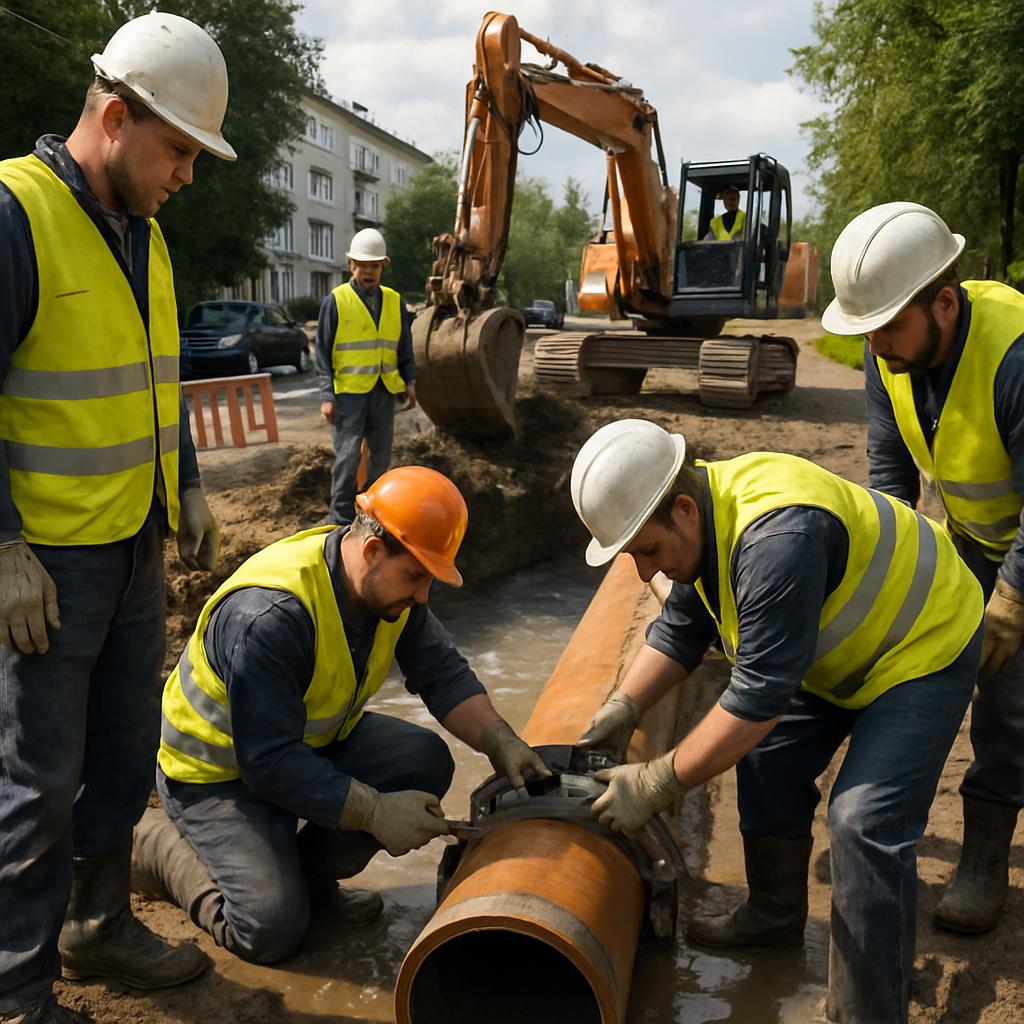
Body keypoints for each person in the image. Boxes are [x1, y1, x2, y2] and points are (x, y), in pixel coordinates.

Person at [570, 418, 983, 1024]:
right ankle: (772, 917)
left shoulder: (775, 539)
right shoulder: (707, 513)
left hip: (921, 646)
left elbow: (758, 699)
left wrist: (657, 781)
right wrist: (624, 706)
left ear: (682, 510)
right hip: (836, 651)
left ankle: (869, 1012)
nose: (643, 574)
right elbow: (684, 628)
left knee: (862, 822)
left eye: (647, 551)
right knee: (766, 760)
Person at [0, 12, 231, 1024]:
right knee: (37, 778)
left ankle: (97, 924)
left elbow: (152, 381)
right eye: (177, 147)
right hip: (45, 561)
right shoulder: (17, 213)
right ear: (114, 112)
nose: (185, 173)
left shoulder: (148, 234)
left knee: (121, 753)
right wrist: (4, 545)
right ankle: (15, 988)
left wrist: (190, 484)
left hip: (135, 543)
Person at [131, 466, 549, 964]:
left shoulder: (387, 590)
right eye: (416, 577)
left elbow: (442, 674)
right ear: (373, 551)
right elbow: (267, 762)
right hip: (217, 776)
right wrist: (374, 811)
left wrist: (500, 740)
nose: (422, 596)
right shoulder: (270, 616)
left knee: (421, 761)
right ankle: (158, 847)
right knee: (270, 930)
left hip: (299, 749)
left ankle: (309, 878)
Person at [822, 201, 1024, 936]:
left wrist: (1011, 598)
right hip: (974, 532)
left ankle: (984, 861)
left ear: (944, 300)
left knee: (1007, 697)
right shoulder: (892, 352)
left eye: (887, 327)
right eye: (865, 330)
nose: (874, 347)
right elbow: (890, 470)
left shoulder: (1016, 354)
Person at [315, 227, 416, 527]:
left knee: (381, 459)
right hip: (349, 394)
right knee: (346, 459)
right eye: (363, 265)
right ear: (351, 265)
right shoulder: (336, 300)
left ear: (382, 266)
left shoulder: (395, 301)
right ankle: (341, 518)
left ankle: (374, 515)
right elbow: (322, 352)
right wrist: (326, 396)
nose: (369, 272)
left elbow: (404, 346)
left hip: (384, 391)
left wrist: (409, 381)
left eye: (374, 266)